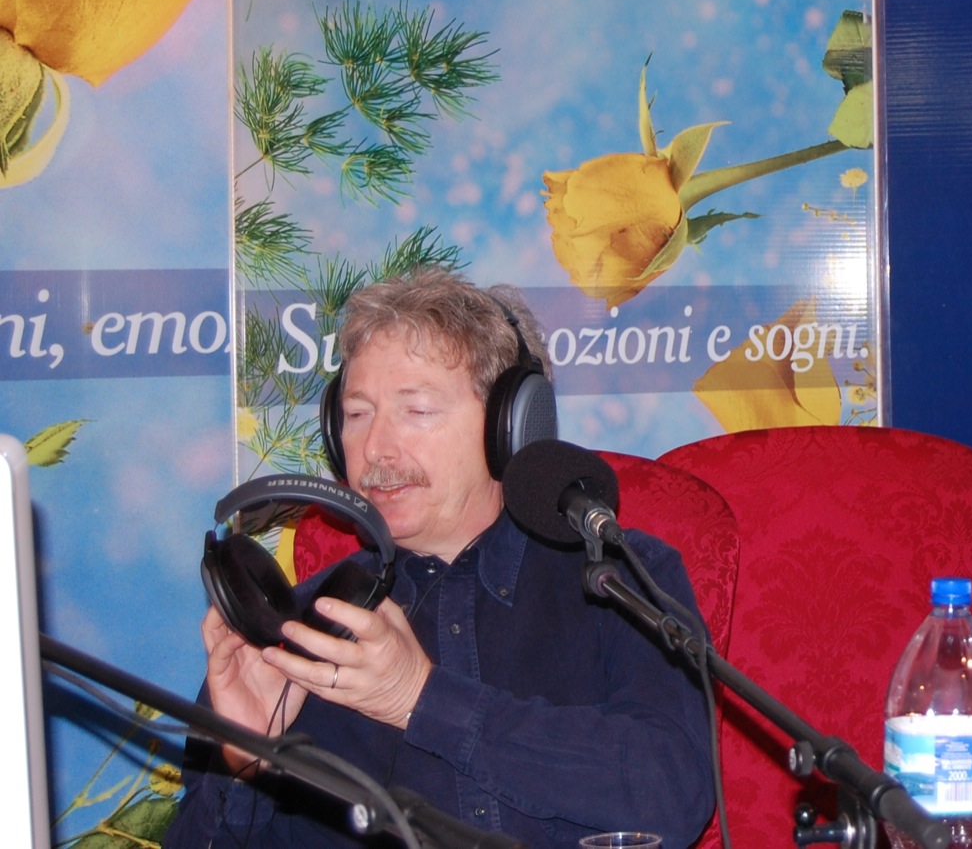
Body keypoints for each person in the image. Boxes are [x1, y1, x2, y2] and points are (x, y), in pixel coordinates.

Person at [165, 268, 714, 848]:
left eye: (417, 410)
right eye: (357, 414)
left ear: (511, 427)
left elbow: (672, 795)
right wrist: (244, 760)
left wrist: (421, 699)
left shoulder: (621, 583)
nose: (376, 449)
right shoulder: (292, 636)